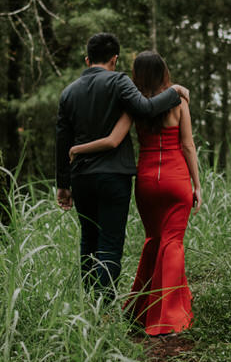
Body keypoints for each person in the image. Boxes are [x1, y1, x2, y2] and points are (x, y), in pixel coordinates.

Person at [69, 51, 200, 336]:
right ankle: (168, 318)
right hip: (176, 178)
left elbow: (112, 140)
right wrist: (197, 185)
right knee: (173, 242)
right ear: (164, 71)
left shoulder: (133, 107)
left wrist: (78, 148)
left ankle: (141, 312)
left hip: (147, 181)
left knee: (154, 240)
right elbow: (188, 146)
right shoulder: (178, 102)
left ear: (137, 75)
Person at [56, 33, 187, 300]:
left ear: (87, 59)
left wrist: (63, 184)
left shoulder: (68, 92)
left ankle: (91, 305)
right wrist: (174, 93)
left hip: (80, 176)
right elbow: (146, 108)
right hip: (114, 175)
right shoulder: (118, 82)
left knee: (88, 240)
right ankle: (103, 305)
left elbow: (62, 140)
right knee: (110, 243)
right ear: (114, 59)